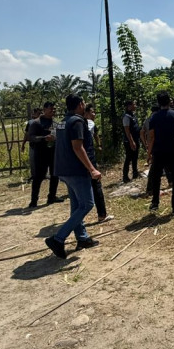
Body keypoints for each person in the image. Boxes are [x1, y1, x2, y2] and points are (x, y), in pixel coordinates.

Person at [45, 94, 101, 259]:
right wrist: (92, 169)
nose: (84, 104)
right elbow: (78, 147)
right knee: (87, 204)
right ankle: (58, 238)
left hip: (64, 169)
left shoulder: (63, 121)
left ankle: (82, 238)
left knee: (77, 205)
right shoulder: (77, 121)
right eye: (83, 102)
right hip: (77, 170)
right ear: (80, 105)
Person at [146, 91, 174, 214]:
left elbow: (151, 137)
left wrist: (149, 153)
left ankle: (155, 203)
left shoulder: (154, 117)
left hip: (159, 151)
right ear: (169, 101)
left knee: (157, 177)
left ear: (158, 102)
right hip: (173, 150)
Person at [25, 102, 63, 208]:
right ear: (44, 109)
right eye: (51, 109)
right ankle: (34, 200)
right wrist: (43, 138)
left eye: (54, 109)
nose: (53, 111)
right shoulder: (36, 123)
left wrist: (55, 139)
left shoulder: (55, 123)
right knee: (38, 177)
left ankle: (52, 196)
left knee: (55, 174)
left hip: (53, 153)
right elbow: (31, 137)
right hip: (41, 154)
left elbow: (60, 137)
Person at [84, 104, 113, 223]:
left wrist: (99, 145)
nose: (94, 114)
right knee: (96, 186)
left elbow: (96, 135)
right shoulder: (85, 123)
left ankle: (79, 218)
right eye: (92, 112)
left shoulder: (88, 123)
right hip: (88, 158)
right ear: (85, 112)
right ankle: (101, 214)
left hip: (81, 159)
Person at [121, 100, 142, 183]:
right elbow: (127, 130)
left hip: (135, 139)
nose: (135, 106)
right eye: (134, 104)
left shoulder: (133, 115)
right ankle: (125, 176)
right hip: (129, 140)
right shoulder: (126, 117)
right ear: (129, 106)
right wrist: (131, 141)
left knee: (135, 157)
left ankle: (135, 173)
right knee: (129, 157)